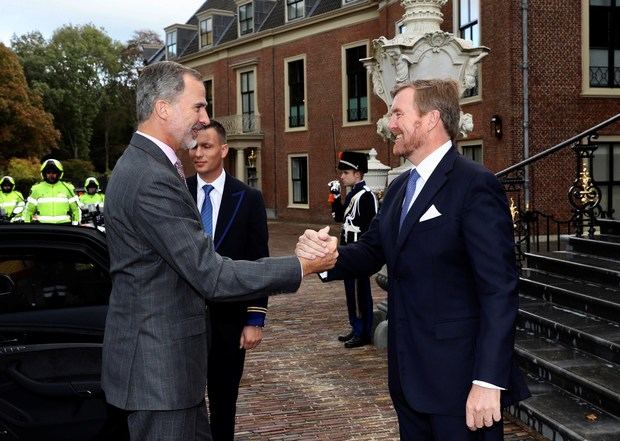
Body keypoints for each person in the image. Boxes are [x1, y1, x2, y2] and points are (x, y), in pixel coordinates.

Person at [102, 60, 337, 441]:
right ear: (164, 107)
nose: (204, 117)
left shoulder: (148, 167)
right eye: (198, 106)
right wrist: (301, 265)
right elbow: (210, 274)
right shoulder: (150, 178)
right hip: (160, 377)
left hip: (171, 375)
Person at [297, 79, 529, 440]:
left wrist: (488, 381)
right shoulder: (400, 187)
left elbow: (499, 291)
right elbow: (372, 251)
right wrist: (324, 258)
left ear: (431, 119)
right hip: (408, 378)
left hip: (459, 383)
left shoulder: (474, 184)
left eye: (398, 113)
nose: (390, 124)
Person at [186, 120, 269, 441]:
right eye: (194, 146)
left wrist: (254, 319)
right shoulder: (178, 193)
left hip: (229, 321)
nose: (198, 153)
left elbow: (257, 262)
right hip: (183, 317)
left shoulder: (247, 199)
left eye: (206, 146)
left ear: (223, 149)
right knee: (185, 402)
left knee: (223, 403)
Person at [329, 152, 377, 348]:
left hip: (358, 252)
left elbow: (371, 226)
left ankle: (363, 331)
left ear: (357, 174)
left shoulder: (366, 196)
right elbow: (339, 218)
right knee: (351, 292)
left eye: (346, 172)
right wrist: (335, 197)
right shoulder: (352, 195)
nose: (342, 176)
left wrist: (361, 250)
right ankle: (355, 326)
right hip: (348, 251)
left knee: (360, 292)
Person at [23, 159, 81, 225]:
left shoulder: (68, 188)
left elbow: (76, 210)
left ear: (59, 173)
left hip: (64, 227)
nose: (51, 175)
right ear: (44, 173)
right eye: (48, 172)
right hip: (43, 227)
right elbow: (29, 210)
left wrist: (76, 225)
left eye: (54, 172)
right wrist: (27, 225)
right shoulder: (36, 188)